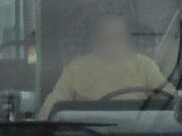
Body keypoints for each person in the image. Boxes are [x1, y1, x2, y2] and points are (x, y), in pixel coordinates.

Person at [38, 12, 172, 119]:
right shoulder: (76, 69)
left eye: (120, 37)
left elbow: (169, 97)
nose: (114, 44)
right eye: (107, 38)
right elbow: (53, 105)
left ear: (127, 40)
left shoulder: (144, 65)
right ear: (94, 41)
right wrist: (43, 127)